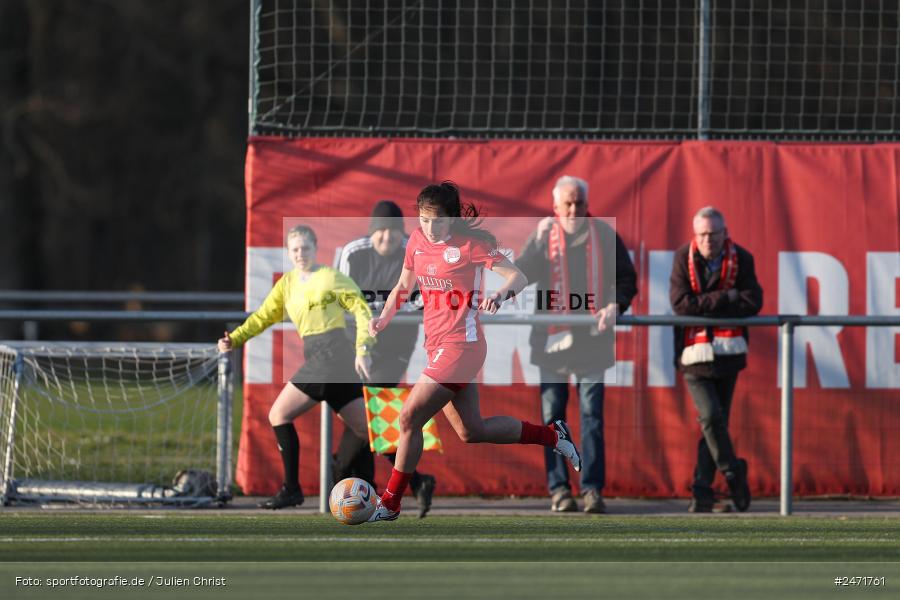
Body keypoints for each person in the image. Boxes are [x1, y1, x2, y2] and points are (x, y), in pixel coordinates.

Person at [364, 181, 582, 522]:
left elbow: (518, 277)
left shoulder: (470, 246)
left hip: (462, 347)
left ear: (451, 218)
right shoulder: (417, 241)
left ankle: (390, 503)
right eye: (423, 219)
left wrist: (499, 295)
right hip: (437, 348)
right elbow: (403, 286)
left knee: (408, 417)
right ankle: (553, 435)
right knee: (471, 431)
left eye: (437, 220)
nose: (429, 227)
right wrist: (384, 317)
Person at [218, 224, 375, 509]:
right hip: (322, 357)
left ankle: (291, 489)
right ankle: (415, 481)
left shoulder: (329, 277)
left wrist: (363, 348)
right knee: (366, 428)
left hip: (331, 354)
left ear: (315, 249)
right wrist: (236, 339)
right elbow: (263, 317)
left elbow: (361, 309)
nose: (301, 253)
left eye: (305, 248)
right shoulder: (287, 284)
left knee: (278, 414)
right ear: (288, 253)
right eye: (295, 249)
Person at [515, 175, 638, 514]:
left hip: (593, 344)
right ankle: (559, 490)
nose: (573, 210)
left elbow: (626, 279)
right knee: (552, 420)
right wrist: (535, 242)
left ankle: (592, 490)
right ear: (555, 206)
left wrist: (616, 304)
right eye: (567, 204)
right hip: (551, 345)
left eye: (579, 203)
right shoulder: (543, 236)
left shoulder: (604, 235)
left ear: (587, 204)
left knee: (591, 418)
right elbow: (521, 274)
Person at [334, 200, 438, 518]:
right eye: (380, 231)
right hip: (358, 344)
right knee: (365, 416)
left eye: (393, 231)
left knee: (370, 412)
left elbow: (422, 300)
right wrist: (362, 340)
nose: (386, 237)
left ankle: (344, 474)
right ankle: (398, 483)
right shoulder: (354, 253)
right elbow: (342, 299)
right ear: (371, 231)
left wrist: (385, 314)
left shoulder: (412, 252)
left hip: (395, 345)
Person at [669, 206, 763, 513]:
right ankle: (733, 472)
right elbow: (681, 305)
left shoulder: (742, 258)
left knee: (715, 423)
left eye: (713, 234)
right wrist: (726, 297)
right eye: (702, 234)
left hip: (728, 353)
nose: (708, 240)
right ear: (695, 235)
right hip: (693, 354)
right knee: (710, 417)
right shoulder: (683, 257)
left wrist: (707, 305)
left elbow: (752, 301)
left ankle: (702, 490)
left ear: (725, 233)